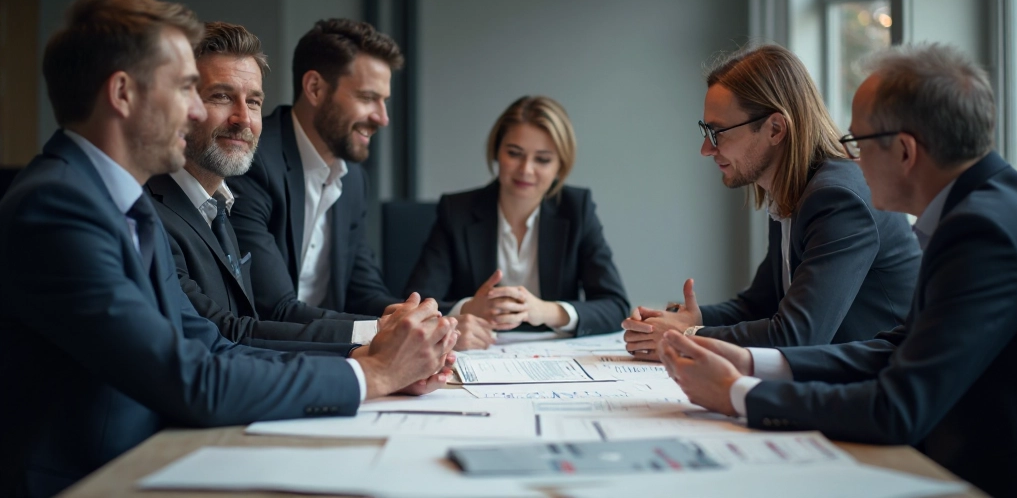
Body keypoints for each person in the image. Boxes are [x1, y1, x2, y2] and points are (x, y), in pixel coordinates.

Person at [0, 0, 457, 498]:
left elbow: (214, 345)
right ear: (123, 94)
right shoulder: (57, 207)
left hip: (158, 457)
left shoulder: (123, 203)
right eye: (186, 88)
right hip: (90, 482)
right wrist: (374, 374)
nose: (197, 111)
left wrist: (370, 360)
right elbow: (190, 379)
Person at [658, 43, 1017, 498]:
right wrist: (750, 363)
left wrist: (738, 393)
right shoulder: (981, 210)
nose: (852, 159)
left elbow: (897, 408)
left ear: (905, 151)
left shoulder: (981, 231)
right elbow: (895, 346)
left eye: (858, 142)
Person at [623, 44, 920, 359]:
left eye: (718, 132)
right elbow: (760, 305)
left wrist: (686, 337)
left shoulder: (838, 199)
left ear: (775, 129)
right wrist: (688, 320)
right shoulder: (793, 192)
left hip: (885, 380)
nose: (706, 149)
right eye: (706, 131)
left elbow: (797, 336)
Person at [226, 18, 494, 351]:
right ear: (315, 88)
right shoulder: (252, 160)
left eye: (384, 101)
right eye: (368, 98)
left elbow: (365, 293)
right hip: (265, 354)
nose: (382, 117)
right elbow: (275, 309)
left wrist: (441, 321)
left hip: (329, 350)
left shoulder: (353, 179)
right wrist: (390, 330)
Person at [146, 21, 380, 348]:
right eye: (221, 96)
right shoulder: (146, 213)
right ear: (180, 106)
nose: (243, 118)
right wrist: (369, 350)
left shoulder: (218, 209)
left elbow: (245, 331)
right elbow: (224, 334)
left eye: (254, 102)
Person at [405, 96, 631, 347]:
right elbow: (416, 303)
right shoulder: (456, 211)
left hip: (553, 353)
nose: (526, 169)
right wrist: (466, 310)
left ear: (560, 165)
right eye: (514, 153)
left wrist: (546, 311)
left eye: (542, 159)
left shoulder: (577, 209)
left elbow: (616, 306)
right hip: (477, 351)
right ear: (496, 152)